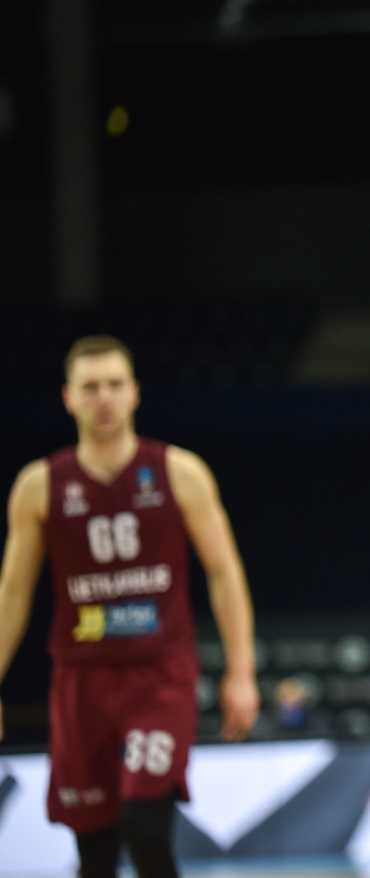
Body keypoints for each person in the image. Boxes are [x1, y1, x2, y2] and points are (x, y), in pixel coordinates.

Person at [0, 337, 259, 878]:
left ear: (135, 392)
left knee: (146, 827)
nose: (104, 398)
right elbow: (14, 592)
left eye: (115, 385)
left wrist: (241, 671)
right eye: (91, 387)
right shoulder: (39, 485)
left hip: (159, 675)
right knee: (94, 850)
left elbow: (224, 571)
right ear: (68, 397)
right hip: (81, 680)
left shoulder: (179, 471)